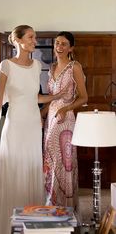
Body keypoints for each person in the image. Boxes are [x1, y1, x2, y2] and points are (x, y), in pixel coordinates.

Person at [0, 25, 65, 234]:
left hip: (33, 123)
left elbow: (34, 96)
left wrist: (56, 96)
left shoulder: (37, 66)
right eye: (31, 37)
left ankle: (30, 231)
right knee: (14, 171)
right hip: (14, 124)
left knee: (30, 170)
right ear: (18, 40)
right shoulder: (6, 65)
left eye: (34, 37)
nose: (35, 40)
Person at [43, 31, 88, 209]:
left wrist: (66, 108)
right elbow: (51, 98)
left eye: (63, 44)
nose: (59, 47)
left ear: (71, 48)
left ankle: (66, 208)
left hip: (66, 120)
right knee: (51, 160)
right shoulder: (52, 68)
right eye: (57, 43)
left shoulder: (74, 67)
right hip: (51, 119)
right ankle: (51, 204)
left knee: (65, 163)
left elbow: (84, 97)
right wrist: (42, 113)